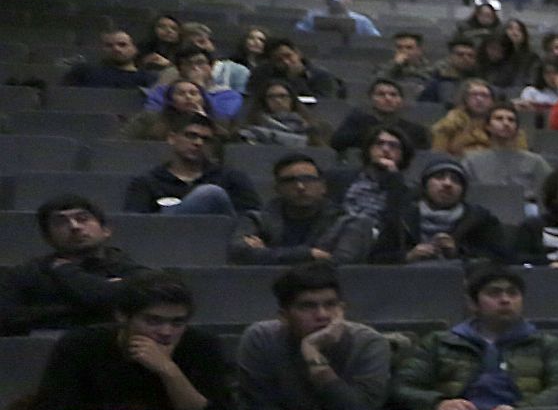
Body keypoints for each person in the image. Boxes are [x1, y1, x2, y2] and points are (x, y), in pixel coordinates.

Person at [20, 271, 238, 410]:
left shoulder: (201, 345)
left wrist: (168, 370)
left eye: (177, 322)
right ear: (122, 316)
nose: (166, 332)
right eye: (153, 321)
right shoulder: (81, 344)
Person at [392, 265, 558, 410]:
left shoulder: (547, 344)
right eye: (494, 293)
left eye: (513, 293)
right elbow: (402, 386)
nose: (505, 300)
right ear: (473, 304)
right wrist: (438, 403)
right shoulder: (438, 342)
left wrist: (525, 409)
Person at [238, 263, 391, 410]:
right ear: (284, 316)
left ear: (342, 309)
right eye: (307, 306)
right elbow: (258, 406)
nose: (322, 315)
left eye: (330, 304)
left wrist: (314, 356)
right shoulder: (260, 338)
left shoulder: (369, 343)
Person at [0, 195, 143, 336]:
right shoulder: (25, 273)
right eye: (60, 222)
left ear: (106, 230)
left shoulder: (132, 272)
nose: (74, 226)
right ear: (48, 237)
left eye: (83, 219)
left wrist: (65, 271)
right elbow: (7, 318)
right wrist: (101, 299)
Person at [230, 153, 373, 266]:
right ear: (277, 189)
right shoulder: (257, 220)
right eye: (289, 181)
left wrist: (267, 253)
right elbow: (239, 252)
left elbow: (341, 264)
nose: (300, 187)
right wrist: (309, 254)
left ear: (323, 186)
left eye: (308, 179)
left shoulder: (348, 223)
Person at [371, 161, 511, 265]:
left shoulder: (481, 219)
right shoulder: (401, 218)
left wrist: (459, 253)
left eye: (455, 180)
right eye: (439, 177)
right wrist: (408, 257)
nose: (447, 184)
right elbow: (375, 260)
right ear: (425, 186)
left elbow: (503, 260)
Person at [123, 114, 262, 216]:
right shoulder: (148, 181)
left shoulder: (231, 178)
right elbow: (136, 225)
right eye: (191, 136)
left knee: (211, 193)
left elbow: (252, 216)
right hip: (166, 241)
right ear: (172, 138)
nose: (198, 143)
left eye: (206, 139)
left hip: (218, 241)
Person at [462, 107, 553, 205]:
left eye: (511, 120)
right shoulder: (471, 161)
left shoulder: (535, 161)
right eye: (499, 119)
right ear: (488, 126)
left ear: (516, 128)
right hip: (483, 206)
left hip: (524, 206)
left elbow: (550, 189)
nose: (506, 123)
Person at [331, 78, 429, 159]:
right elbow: (337, 143)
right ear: (371, 99)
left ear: (401, 101)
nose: (388, 98)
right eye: (381, 94)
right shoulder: (356, 124)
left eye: (393, 95)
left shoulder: (416, 131)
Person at [145, 49, 243, 121]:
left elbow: (222, 118)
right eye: (188, 64)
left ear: (211, 67)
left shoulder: (228, 95)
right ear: (180, 69)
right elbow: (152, 115)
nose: (195, 68)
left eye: (200, 63)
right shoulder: (162, 91)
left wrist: (199, 89)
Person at [62, 29, 160, 89]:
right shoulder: (82, 72)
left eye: (122, 45)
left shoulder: (149, 79)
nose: (116, 49)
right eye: (109, 45)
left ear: (135, 49)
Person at [431, 80, 497, 157]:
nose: (479, 99)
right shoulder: (449, 123)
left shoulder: (499, 123)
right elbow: (438, 155)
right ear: (465, 98)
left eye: (485, 95)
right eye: (474, 95)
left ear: (492, 101)